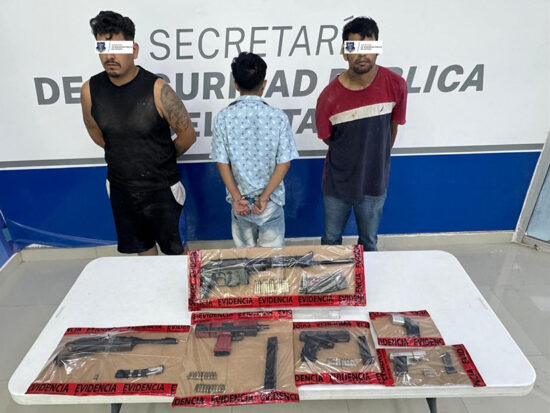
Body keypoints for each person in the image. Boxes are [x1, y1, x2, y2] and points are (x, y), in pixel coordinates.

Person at [80, 11, 196, 255]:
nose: (109, 56)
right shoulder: (90, 90)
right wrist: (126, 155)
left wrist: (160, 157)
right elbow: (96, 132)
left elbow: (187, 135)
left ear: (133, 50)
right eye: (102, 47)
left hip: (162, 188)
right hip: (121, 188)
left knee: (177, 256)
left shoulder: (158, 90)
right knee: (143, 255)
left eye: (117, 48)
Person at [315, 17, 407, 251]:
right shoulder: (328, 97)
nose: (362, 54)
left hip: (374, 182)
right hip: (337, 185)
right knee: (331, 241)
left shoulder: (396, 85)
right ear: (344, 53)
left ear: (377, 49)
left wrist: (376, 159)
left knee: (368, 242)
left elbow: (393, 127)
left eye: (368, 47)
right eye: (354, 47)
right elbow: (328, 138)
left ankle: (366, 277)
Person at [210, 52, 299, 247]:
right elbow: (284, 163)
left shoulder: (223, 117)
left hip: (240, 203)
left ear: (235, 84)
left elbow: (222, 163)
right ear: (264, 84)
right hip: (270, 203)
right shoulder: (278, 117)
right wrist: (264, 197)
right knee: (273, 258)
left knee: (245, 257)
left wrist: (237, 198)